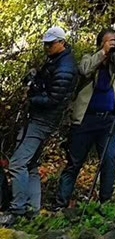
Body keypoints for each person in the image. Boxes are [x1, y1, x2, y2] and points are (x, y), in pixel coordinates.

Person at [6, 27, 78, 220]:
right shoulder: (57, 62)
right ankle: (33, 210)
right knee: (31, 164)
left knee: (17, 163)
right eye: (46, 43)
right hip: (42, 119)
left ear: (61, 43)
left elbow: (54, 99)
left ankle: (17, 210)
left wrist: (32, 97)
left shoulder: (65, 67)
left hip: (42, 120)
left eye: (50, 43)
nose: (47, 47)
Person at [57, 28, 115, 207]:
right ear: (101, 43)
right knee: (74, 162)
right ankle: (61, 203)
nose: (113, 44)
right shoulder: (88, 58)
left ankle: (105, 202)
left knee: (109, 160)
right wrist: (103, 53)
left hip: (109, 121)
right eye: (110, 41)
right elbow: (84, 70)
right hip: (85, 120)